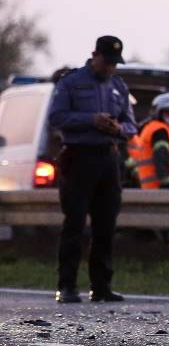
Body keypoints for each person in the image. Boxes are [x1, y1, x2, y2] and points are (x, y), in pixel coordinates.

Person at [45, 35, 136, 303]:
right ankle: (68, 285)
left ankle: (101, 285)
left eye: (114, 64)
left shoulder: (119, 86)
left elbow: (132, 126)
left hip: (108, 159)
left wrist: (117, 129)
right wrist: (91, 120)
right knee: (74, 222)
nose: (110, 68)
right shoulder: (71, 83)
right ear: (95, 55)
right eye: (106, 62)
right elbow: (56, 118)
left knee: (106, 223)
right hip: (79, 157)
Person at [129, 92, 169, 189]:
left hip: (151, 188)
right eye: (168, 113)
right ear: (159, 113)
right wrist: (166, 183)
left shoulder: (150, 129)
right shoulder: (160, 131)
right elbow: (161, 156)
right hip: (161, 188)